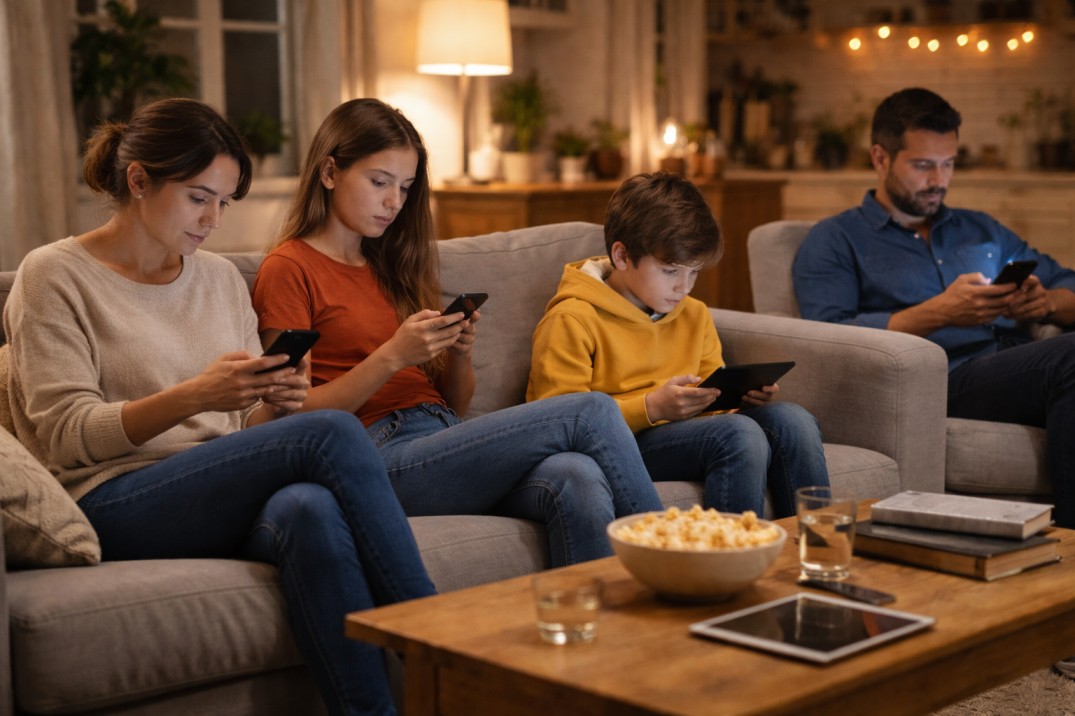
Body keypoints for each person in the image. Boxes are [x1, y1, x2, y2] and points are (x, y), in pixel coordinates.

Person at [2, 98, 435, 716]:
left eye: (225, 202)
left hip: (210, 486)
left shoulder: (219, 279)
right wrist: (194, 395)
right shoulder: (54, 275)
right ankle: (439, 647)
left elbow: (238, 431)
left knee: (307, 506)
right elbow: (65, 436)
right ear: (139, 180)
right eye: (199, 196)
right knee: (331, 431)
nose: (214, 219)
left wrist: (275, 404)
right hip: (111, 497)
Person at [250, 98, 665, 568]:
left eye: (405, 188)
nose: (394, 202)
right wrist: (392, 355)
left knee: (577, 476)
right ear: (329, 172)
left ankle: (602, 634)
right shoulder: (289, 268)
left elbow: (456, 405)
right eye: (379, 182)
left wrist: (459, 352)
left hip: (442, 436)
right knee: (589, 411)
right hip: (374, 455)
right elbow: (293, 418)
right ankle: (675, 563)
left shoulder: (390, 267)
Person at [793, 87, 1075, 528]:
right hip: (941, 379)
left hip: (1021, 368)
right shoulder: (835, 239)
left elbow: (1066, 283)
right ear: (880, 158)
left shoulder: (980, 228)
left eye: (948, 164)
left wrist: (1046, 303)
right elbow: (827, 339)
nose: (939, 180)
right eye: (923, 165)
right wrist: (941, 313)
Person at [526, 172, 829, 518]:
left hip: (686, 432)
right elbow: (560, 423)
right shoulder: (572, 318)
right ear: (622, 256)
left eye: (694, 272)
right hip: (619, 445)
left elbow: (711, 399)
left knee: (794, 420)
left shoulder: (693, 314)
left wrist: (736, 397)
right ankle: (729, 563)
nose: (684, 287)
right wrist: (651, 408)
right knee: (738, 434)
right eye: (671, 272)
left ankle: (812, 552)